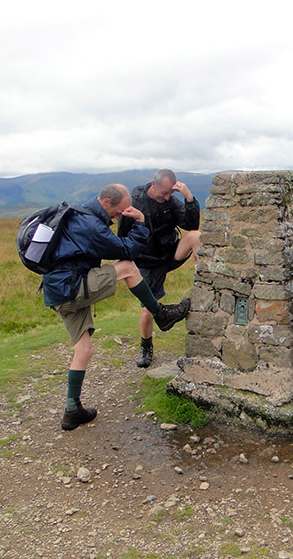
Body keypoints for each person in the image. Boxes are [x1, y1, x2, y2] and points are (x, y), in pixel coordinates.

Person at [42, 184, 190, 431]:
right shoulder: (90, 225)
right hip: (71, 287)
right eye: (119, 212)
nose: (120, 217)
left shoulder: (80, 215)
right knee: (128, 267)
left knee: (84, 350)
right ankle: (161, 315)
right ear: (106, 201)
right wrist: (141, 223)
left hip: (59, 292)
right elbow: (127, 250)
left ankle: (72, 410)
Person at [118, 169, 201, 368]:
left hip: (169, 253)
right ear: (153, 184)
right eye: (163, 193)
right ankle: (146, 347)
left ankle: (206, 281)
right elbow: (122, 235)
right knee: (148, 311)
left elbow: (191, 224)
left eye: (170, 193)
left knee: (195, 236)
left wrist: (189, 198)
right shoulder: (135, 201)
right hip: (146, 262)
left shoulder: (171, 202)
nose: (166, 197)